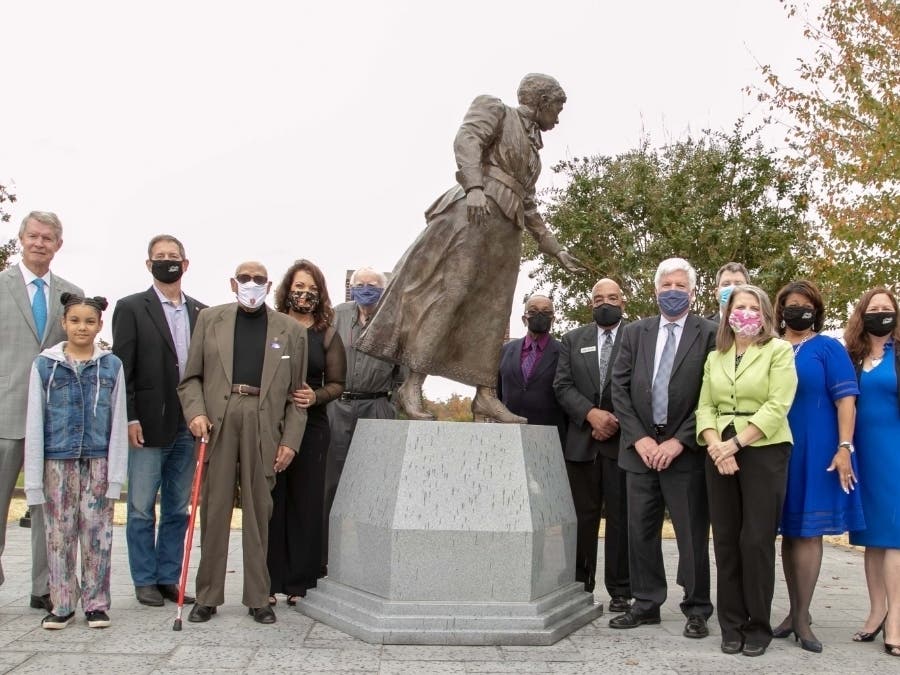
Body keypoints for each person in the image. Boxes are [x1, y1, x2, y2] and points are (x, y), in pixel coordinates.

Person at [355, 73, 584, 423]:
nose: (559, 115)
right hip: (475, 212)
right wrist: (475, 186)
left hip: (507, 228)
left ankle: (485, 395)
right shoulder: (496, 109)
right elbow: (467, 139)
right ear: (540, 100)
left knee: (495, 309)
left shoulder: (534, 149)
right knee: (451, 293)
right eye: (558, 106)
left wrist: (555, 249)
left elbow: (529, 204)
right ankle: (412, 383)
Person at [177, 261, 307, 625]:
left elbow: (298, 395)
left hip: (264, 421)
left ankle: (257, 596)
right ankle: (207, 596)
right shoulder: (210, 320)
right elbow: (191, 379)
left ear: (268, 285)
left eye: (259, 280)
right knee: (214, 507)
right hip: (218, 420)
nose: (252, 285)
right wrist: (196, 413)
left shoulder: (291, 331)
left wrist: (290, 441)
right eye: (245, 279)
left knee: (258, 510)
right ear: (233, 283)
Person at [609, 258, 716, 639]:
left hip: (685, 451)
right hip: (639, 449)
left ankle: (697, 607)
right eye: (666, 285)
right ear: (656, 291)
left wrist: (678, 440)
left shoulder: (710, 333)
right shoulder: (636, 332)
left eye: (680, 286)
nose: (673, 291)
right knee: (640, 532)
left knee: (690, 533)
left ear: (692, 292)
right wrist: (639, 438)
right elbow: (618, 389)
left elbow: (711, 395)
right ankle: (646, 603)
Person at [696, 284, 798, 657]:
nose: (746, 313)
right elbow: (704, 406)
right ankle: (731, 624)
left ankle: (758, 625)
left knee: (755, 540)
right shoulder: (715, 357)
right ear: (727, 313)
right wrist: (716, 446)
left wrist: (736, 443)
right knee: (725, 539)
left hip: (763, 450)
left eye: (754, 307)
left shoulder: (779, 351)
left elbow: (777, 404)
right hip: (718, 450)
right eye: (740, 307)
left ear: (765, 314)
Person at [112, 234, 206, 607]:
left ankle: (169, 575)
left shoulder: (202, 312)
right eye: (159, 256)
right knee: (139, 507)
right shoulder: (132, 308)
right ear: (149, 264)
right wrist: (130, 417)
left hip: (189, 424)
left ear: (185, 264)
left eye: (174, 256)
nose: (167, 261)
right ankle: (144, 578)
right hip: (148, 424)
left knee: (177, 508)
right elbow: (123, 370)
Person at [23, 293, 128, 629]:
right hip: (58, 461)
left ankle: (96, 603)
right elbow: (34, 421)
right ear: (63, 323)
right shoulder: (45, 365)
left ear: (99, 325)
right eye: (76, 321)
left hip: (97, 460)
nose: (82, 327)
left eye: (90, 321)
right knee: (59, 534)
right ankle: (62, 603)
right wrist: (34, 482)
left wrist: (115, 474)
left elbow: (117, 422)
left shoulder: (111, 365)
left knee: (97, 534)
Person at [771, 280, 863, 653]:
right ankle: (794, 613)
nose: (798, 311)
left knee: (809, 533)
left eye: (805, 305)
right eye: (791, 305)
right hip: (776, 448)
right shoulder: (770, 347)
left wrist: (844, 447)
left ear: (816, 310)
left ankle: (803, 617)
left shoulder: (828, 348)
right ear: (780, 311)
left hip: (818, 449)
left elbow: (846, 400)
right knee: (789, 532)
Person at [0, 211, 83, 613]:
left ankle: (43, 586)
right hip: (5, 412)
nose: (39, 243)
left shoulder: (71, 295)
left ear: (58, 245)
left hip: (53, 421)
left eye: (47, 238)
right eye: (33, 236)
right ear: (21, 239)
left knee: (48, 510)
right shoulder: (1, 286)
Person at [268, 259, 345, 605]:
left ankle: (300, 583)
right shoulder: (270, 327)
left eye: (312, 289)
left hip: (312, 426)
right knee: (272, 501)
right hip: (271, 422)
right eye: (299, 287)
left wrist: (316, 395)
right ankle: (267, 582)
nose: (304, 293)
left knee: (307, 503)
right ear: (287, 289)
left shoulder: (326, 332)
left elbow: (338, 384)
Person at [553, 278, 631, 612]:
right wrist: (591, 415)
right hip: (582, 445)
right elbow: (562, 385)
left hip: (623, 443)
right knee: (582, 519)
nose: (605, 303)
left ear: (623, 302)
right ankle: (580, 586)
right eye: (598, 298)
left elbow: (641, 383)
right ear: (591, 304)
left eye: (612, 297)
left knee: (621, 519)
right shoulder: (572, 340)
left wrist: (612, 419)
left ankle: (620, 590)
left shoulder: (638, 335)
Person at [324, 266, 402, 572]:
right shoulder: (335, 316)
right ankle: (328, 558)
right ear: (351, 287)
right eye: (361, 284)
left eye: (373, 285)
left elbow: (404, 374)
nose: (366, 289)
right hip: (337, 406)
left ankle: (372, 562)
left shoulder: (395, 320)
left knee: (375, 488)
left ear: (384, 289)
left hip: (377, 408)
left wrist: (390, 406)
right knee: (330, 484)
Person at [844, 287, 900, 658]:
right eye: (873, 309)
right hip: (860, 452)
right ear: (862, 315)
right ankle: (876, 610)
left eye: (887, 308)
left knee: (895, 536)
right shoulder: (853, 356)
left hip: (894, 452)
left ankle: (896, 617)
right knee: (871, 536)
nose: (880, 313)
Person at [497, 294, 565, 437]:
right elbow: (498, 393)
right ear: (524, 319)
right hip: (509, 433)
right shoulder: (505, 350)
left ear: (553, 319)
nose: (540, 315)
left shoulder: (564, 352)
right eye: (533, 311)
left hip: (550, 435)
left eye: (546, 312)